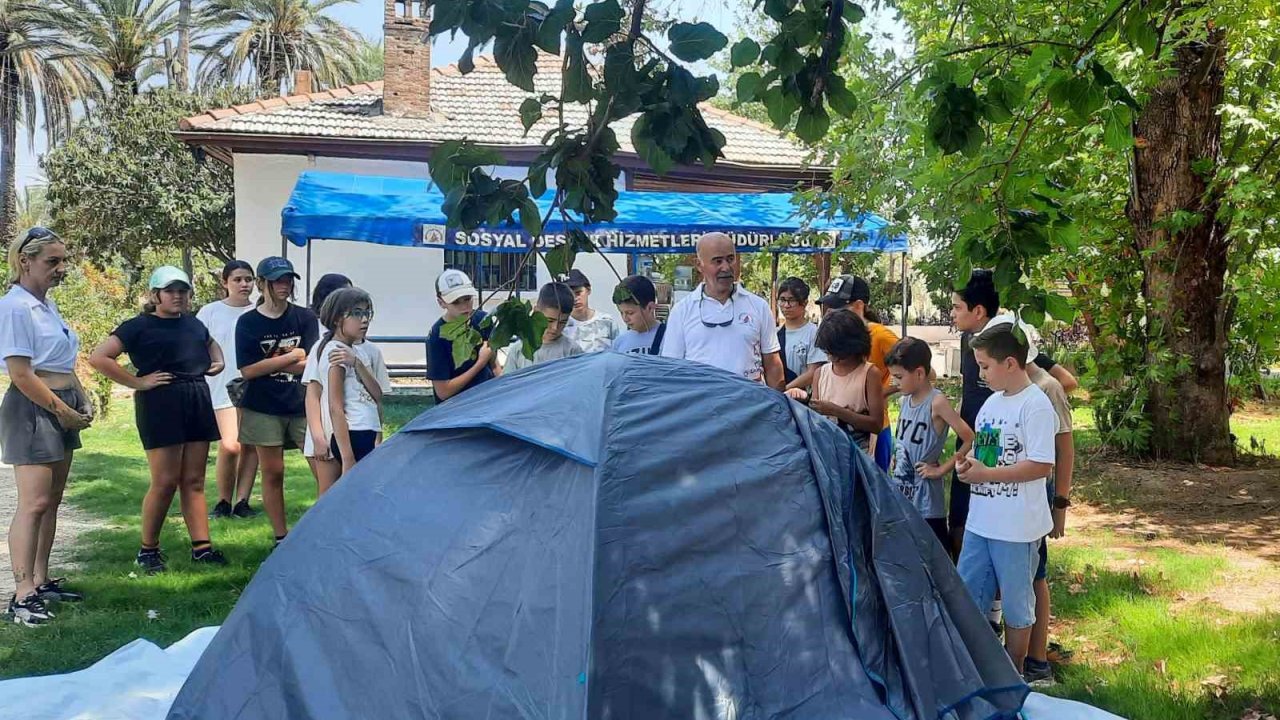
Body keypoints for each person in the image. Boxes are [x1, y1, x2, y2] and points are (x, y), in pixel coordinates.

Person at [90, 266, 228, 573]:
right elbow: (99, 357)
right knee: (165, 480)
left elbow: (210, 343)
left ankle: (202, 548)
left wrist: (217, 361)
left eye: (182, 291)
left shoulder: (193, 324)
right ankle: (148, 550)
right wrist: (137, 383)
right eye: (170, 291)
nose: (177, 296)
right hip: (160, 401)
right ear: (156, 296)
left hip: (196, 397)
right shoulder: (138, 326)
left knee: (193, 480)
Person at [1, 228, 91, 626]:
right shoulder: (16, 307)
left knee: (52, 500)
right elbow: (21, 373)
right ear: (25, 261)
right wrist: (61, 410)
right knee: (34, 502)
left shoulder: (46, 306)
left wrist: (81, 397)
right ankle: (21, 594)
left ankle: (40, 580)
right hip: (34, 408)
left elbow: (62, 362)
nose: (60, 269)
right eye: (52, 261)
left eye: (62, 261)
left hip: (61, 403)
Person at [955, 324, 1057, 677]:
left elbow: (1042, 465)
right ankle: (976, 672)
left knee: (1017, 608)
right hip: (981, 522)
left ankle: (1013, 672)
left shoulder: (1036, 405)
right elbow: (986, 455)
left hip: (1017, 529)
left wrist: (988, 475)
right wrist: (969, 467)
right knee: (967, 597)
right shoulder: (990, 405)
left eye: (985, 366)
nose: (980, 374)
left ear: (1010, 363)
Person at [235, 257, 318, 546]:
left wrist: (269, 363)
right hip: (262, 406)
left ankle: (324, 530)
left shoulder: (305, 317)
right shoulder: (248, 323)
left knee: (322, 464)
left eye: (288, 280)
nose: (284, 286)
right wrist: (289, 357)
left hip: (302, 403)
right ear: (262, 284)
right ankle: (281, 537)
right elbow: (247, 370)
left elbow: (310, 364)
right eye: (277, 280)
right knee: (273, 471)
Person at [661, 232, 785, 389]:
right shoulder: (682, 311)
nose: (726, 267)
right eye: (717, 261)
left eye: (730, 259)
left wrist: (780, 407)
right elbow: (672, 370)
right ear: (699, 265)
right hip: (702, 407)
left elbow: (773, 364)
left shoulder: (758, 306)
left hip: (749, 407)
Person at [885, 337, 974, 549]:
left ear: (919, 373)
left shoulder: (937, 402)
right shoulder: (904, 400)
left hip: (926, 501)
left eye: (899, 377)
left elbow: (969, 437)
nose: (894, 382)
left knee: (934, 555)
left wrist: (942, 469)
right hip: (902, 492)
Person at [303, 288, 389, 494]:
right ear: (337, 319)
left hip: (365, 429)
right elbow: (335, 407)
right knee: (345, 498)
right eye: (357, 313)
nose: (365, 320)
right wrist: (347, 458)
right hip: (352, 433)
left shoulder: (355, 352)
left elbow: (377, 394)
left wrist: (357, 363)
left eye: (367, 313)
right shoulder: (334, 352)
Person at [198, 260, 260, 520]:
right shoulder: (210, 312)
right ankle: (223, 500)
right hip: (221, 387)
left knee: (251, 444)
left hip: (255, 385)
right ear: (225, 282)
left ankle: (242, 501)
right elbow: (197, 345)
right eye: (238, 279)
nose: (244, 284)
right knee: (231, 444)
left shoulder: (260, 312)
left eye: (248, 279)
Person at [818, 275, 899, 469]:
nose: (831, 313)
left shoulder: (881, 335)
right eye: (830, 307)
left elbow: (920, 370)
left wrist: (880, 393)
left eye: (839, 307)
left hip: (872, 436)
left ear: (859, 305)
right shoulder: (832, 336)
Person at [785, 311, 885, 454]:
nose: (831, 358)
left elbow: (876, 424)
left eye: (836, 353)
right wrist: (803, 401)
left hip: (858, 459)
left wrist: (836, 411)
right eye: (828, 352)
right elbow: (816, 418)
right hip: (827, 456)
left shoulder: (869, 374)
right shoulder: (821, 373)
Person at [427, 269, 500, 402]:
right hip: (456, 409)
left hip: (487, 401)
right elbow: (443, 392)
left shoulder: (483, 320)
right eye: (455, 302)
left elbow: (494, 365)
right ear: (441, 302)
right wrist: (480, 362)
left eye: (467, 299)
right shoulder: (436, 336)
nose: (464, 306)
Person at [503, 283, 583, 372]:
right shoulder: (518, 350)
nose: (555, 328)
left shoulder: (572, 351)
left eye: (562, 322)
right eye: (550, 321)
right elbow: (507, 384)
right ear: (536, 312)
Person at [775, 277, 827, 390]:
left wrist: (785, 390)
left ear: (804, 302)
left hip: (802, 399)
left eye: (792, 300)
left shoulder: (814, 333)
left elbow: (813, 372)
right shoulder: (775, 334)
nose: (786, 305)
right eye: (782, 300)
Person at [563, 269, 620, 352]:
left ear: (588, 290)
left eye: (578, 293)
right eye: (569, 294)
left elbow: (618, 353)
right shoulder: (561, 325)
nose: (575, 299)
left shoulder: (607, 322)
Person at [611, 275, 666, 355]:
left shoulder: (669, 337)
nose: (625, 319)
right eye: (621, 312)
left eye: (630, 313)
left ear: (650, 308)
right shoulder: (620, 342)